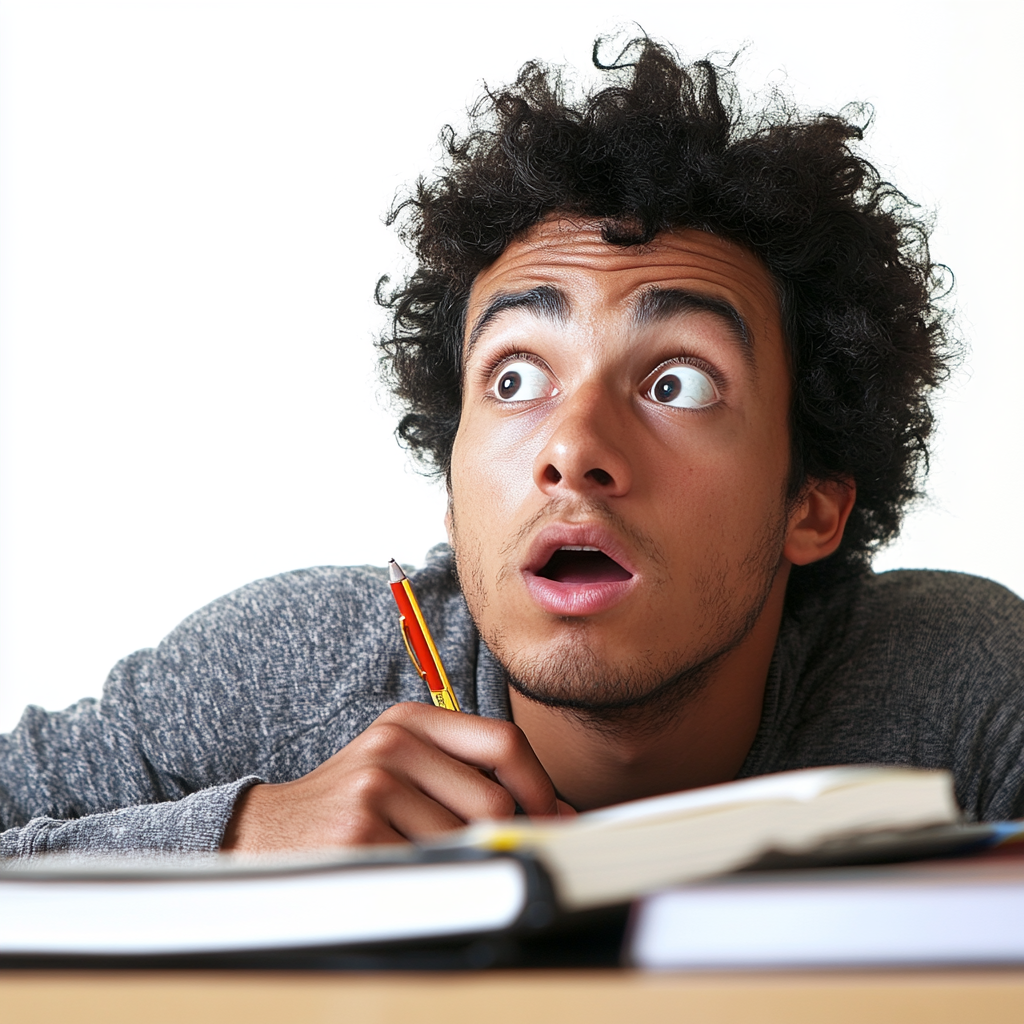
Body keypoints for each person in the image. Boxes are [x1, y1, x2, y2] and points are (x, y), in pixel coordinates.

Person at [2, 38, 1022, 861]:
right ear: (452, 495)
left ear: (813, 501)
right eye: (516, 379)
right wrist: (235, 835)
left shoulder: (957, 680)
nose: (573, 449)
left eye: (676, 384)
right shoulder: (285, 674)